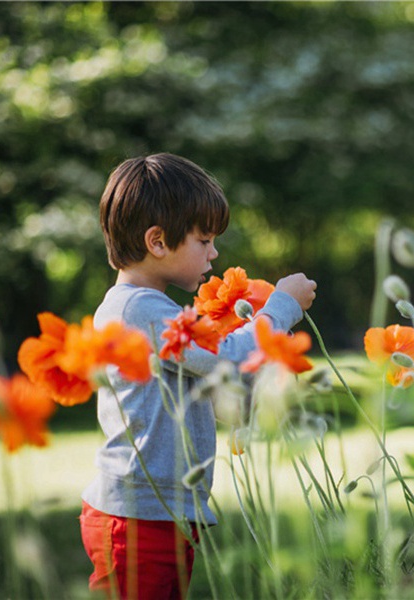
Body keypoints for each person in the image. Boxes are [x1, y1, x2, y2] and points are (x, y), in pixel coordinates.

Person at [79, 152, 316, 599]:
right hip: (137, 520)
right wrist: (281, 307)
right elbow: (227, 360)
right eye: (204, 240)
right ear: (157, 241)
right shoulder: (137, 309)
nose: (214, 252)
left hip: (165, 513)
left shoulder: (154, 309)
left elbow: (206, 383)